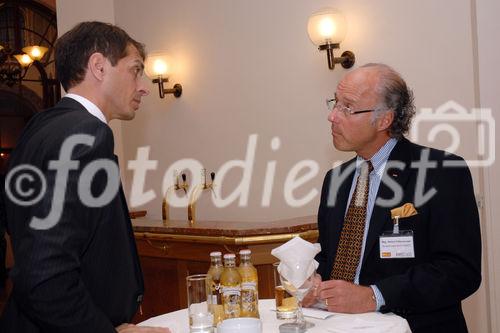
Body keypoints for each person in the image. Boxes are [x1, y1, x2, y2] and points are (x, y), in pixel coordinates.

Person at [0, 22, 170, 333]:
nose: (143, 85)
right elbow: (45, 274)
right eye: (135, 70)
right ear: (99, 66)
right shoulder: (86, 134)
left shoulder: (40, 127)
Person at [303, 63, 481, 333]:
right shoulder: (335, 180)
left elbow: (459, 271)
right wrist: (311, 278)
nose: (332, 117)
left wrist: (374, 296)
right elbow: (330, 258)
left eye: (347, 108)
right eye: (334, 103)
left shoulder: (440, 172)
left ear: (384, 119)